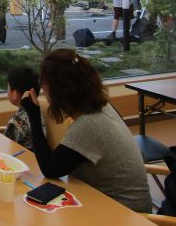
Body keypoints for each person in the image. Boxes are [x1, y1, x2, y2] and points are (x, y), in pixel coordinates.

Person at [21, 49, 151, 213]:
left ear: (59, 89)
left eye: (43, 83)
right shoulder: (103, 107)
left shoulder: (89, 124)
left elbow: (50, 169)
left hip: (123, 213)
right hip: (110, 202)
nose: (42, 89)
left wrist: (33, 113)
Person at [3, 67, 40, 149]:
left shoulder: (16, 122)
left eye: (8, 88)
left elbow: (5, 148)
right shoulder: (39, 112)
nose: (7, 91)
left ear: (15, 93)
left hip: (22, 159)